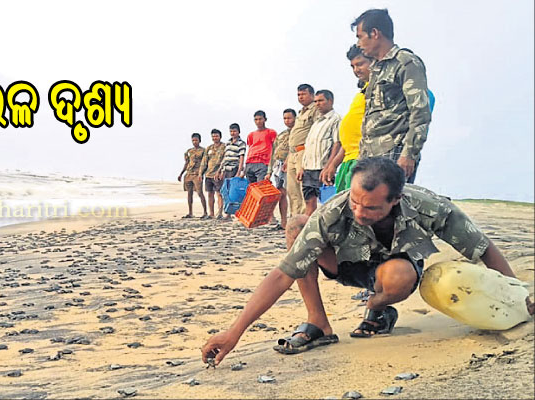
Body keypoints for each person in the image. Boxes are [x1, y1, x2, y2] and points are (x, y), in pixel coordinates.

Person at [201, 157, 534, 365]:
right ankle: (318, 322)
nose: (359, 212)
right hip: (345, 264)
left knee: (400, 275)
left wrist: (520, 295)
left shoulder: (427, 206)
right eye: (356, 202)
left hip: (395, 272)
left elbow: (481, 247)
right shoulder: (336, 211)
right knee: (299, 224)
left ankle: (377, 307)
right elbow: (282, 274)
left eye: (371, 207)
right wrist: (234, 332)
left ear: (396, 199)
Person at [353, 8, 431, 183]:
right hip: (369, 154)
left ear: (374, 33)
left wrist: (409, 154)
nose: (358, 43)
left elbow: (420, 112)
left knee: (389, 201)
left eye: (360, 36)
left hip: (394, 151)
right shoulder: (376, 68)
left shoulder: (406, 63)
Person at [321, 45, 373, 193]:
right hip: (348, 160)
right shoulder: (361, 94)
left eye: (360, 64)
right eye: (353, 66)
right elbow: (347, 141)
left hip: (364, 159)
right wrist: (333, 164)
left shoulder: (378, 91)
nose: (356, 70)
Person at [296, 90, 341, 217]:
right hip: (309, 168)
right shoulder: (316, 123)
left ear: (330, 101)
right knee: (309, 202)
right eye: (315, 101)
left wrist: (329, 167)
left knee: (327, 205)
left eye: (321, 101)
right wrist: (302, 167)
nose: (317, 104)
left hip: (323, 169)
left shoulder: (336, 119)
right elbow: (308, 146)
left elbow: (337, 144)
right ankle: (309, 228)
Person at [286, 84, 321, 216]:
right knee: (292, 190)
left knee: (303, 188)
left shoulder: (314, 110)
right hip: (292, 153)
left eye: (303, 94)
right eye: (298, 95)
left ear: (312, 95)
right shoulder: (301, 112)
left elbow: (316, 132)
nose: (300, 97)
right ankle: (295, 218)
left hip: (304, 152)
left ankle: (305, 219)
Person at [264, 109, 295, 230]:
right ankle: (283, 222)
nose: (287, 121)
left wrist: (288, 160)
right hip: (278, 167)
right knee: (281, 194)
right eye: (285, 118)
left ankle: (294, 221)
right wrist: (269, 171)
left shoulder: (298, 133)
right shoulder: (281, 135)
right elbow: (273, 153)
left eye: (289, 118)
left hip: (292, 165)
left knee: (292, 194)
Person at [216, 123, 246, 220]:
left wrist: (239, 172)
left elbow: (241, 158)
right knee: (225, 191)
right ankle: (227, 212)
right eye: (231, 131)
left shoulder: (241, 143)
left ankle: (236, 213)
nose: (232, 133)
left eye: (234, 131)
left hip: (234, 168)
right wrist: (220, 170)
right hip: (226, 169)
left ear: (238, 132)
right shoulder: (228, 143)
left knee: (234, 193)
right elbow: (225, 158)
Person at [177, 133, 207, 219]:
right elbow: (186, 163)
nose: (194, 142)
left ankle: (205, 212)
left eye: (196, 140)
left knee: (200, 192)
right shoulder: (189, 151)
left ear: (199, 141)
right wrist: (181, 174)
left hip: (197, 174)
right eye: (193, 140)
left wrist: (201, 173)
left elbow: (205, 163)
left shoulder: (203, 151)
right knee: (189, 193)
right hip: (189, 174)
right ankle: (190, 212)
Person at [200, 129, 226, 219]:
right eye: (213, 136)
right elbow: (204, 161)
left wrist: (221, 171)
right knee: (210, 194)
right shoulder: (209, 148)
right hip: (208, 174)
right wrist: (200, 173)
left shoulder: (224, 147)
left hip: (218, 174)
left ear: (220, 137)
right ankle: (211, 213)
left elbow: (225, 160)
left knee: (219, 193)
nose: (215, 138)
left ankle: (220, 213)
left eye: (216, 136)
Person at [245, 111, 277, 183]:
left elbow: (275, 148)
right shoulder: (251, 135)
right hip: (250, 163)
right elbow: (250, 148)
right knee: (251, 187)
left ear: (265, 119)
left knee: (261, 186)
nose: (258, 121)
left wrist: (271, 167)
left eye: (260, 119)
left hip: (263, 162)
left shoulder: (271, 132)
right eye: (256, 119)